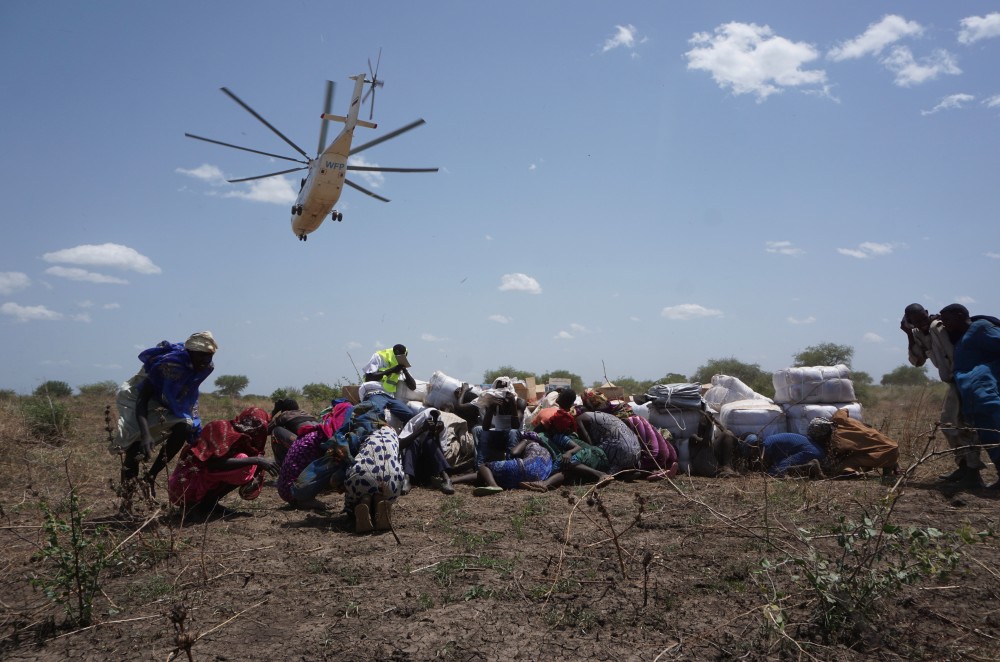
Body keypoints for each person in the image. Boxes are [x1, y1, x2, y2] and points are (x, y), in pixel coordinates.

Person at [110, 331, 218, 496]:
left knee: (185, 427)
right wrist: (146, 435)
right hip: (138, 397)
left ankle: (150, 477)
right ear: (189, 353)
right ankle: (126, 503)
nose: (205, 361)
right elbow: (142, 399)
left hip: (166, 398)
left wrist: (191, 418)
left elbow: (189, 390)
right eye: (201, 356)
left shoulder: (206, 367)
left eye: (209, 356)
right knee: (135, 448)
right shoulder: (167, 365)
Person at [902, 303, 984, 486]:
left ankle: (972, 472)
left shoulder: (938, 327)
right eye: (916, 322)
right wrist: (909, 334)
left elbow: (954, 352)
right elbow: (917, 361)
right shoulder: (917, 333)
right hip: (953, 382)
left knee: (963, 424)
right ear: (910, 322)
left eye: (923, 318)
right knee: (949, 424)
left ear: (926, 313)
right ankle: (964, 467)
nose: (921, 323)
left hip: (963, 378)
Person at [167, 407, 278, 515]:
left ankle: (209, 503)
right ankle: (192, 505)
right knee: (246, 462)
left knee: (249, 463)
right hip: (186, 484)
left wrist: (257, 460)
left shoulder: (245, 439)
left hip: (202, 479)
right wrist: (256, 460)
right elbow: (213, 464)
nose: (256, 430)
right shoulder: (221, 428)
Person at [939, 303, 1000, 488]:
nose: (944, 323)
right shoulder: (962, 338)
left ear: (960, 314)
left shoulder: (981, 328)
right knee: (988, 436)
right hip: (974, 400)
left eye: (947, 319)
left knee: (996, 429)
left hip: (986, 396)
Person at [398, 408, 455, 495]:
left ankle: (446, 479)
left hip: (429, 469)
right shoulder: (413, 424)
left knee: (429, 441)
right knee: (414, 441)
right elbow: (400, 445)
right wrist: (422, 429)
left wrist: (437, 434)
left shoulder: (442, 429)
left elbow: (441, 454)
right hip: (411, 469)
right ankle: (406, 479)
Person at [741, 431, 825, 478]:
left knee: (775, 472)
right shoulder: (768, 441)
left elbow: (774, 464)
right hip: (814, 450)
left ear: (753, 447)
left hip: (810, 452)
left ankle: (811, 466)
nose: (753, 455)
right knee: (779, 466)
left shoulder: (765, 446)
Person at [268, 398, 318, 468]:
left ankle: (282, 467)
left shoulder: (285, 414)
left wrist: (275, 411)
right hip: (319, 446)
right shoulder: (307, 414)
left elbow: (266, 429)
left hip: (308, 447)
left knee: (276, 430)